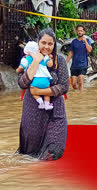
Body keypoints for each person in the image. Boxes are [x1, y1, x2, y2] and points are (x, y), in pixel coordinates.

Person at [17, 28, 69, 160]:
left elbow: (64, 86)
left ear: (54, 45)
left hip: (55, 110)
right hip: (33, 111)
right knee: (29, 156)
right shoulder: (27, 59)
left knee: (54, 151)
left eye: (50, 44)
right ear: (37, 42)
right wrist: (35, 61)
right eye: (43, 43)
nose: (46, 47)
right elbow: (22, 83)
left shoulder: (60, 60)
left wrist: (39, 91)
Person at [16, 41, 54, 110]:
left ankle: (41, 103)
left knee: (33, 92)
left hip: (35, 80)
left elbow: (21, 68)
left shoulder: (26, 59)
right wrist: (50, 58)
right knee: (47, 92)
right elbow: (50, 64)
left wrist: (17, 70)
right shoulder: (43, 57)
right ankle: (47, 104)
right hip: (45, 78)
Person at [66, 24, 92, 91]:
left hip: (83, 65)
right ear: (77, 32)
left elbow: (89, 50)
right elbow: (71, 53)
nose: (80, 32)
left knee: (80, 82)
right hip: (74, 65)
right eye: (78, 31)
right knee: (74, 84)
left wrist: (85, 41)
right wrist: (65, 62)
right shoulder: (74, 42)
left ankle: (82, 98)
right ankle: (78, 96)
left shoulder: (87, 40)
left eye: (81, 31)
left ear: (84, 32)